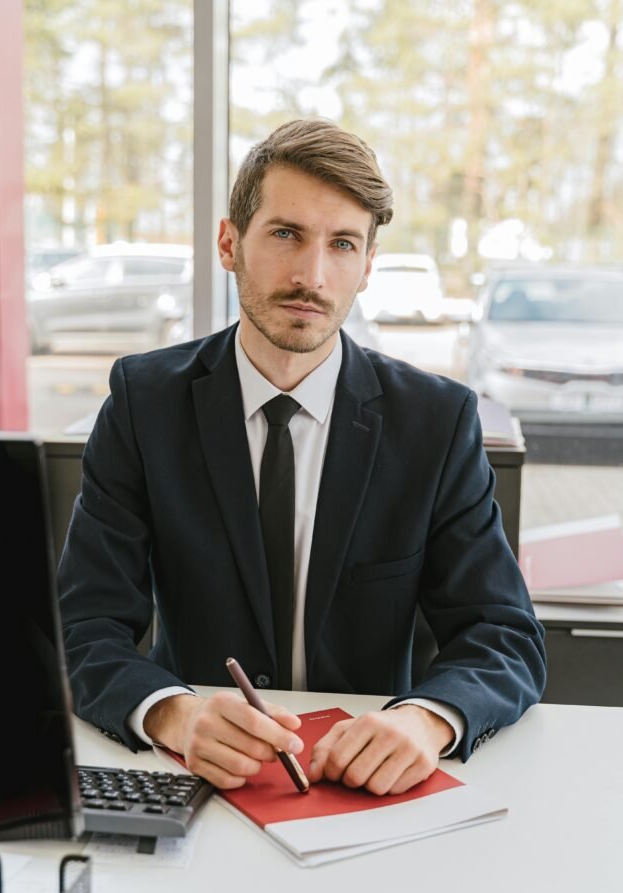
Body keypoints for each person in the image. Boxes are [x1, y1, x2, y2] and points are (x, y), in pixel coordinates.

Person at [57, 118, 546, 797]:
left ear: (367, 266)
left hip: (370, 788)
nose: (310, 276)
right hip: (200, 775)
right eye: (284, 234)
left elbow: (502, 635)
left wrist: (427, 720)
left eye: (341, 244)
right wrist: (172, 714)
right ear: (229, 243)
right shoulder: (145, 403)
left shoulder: (434, 422)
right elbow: (85, 624)